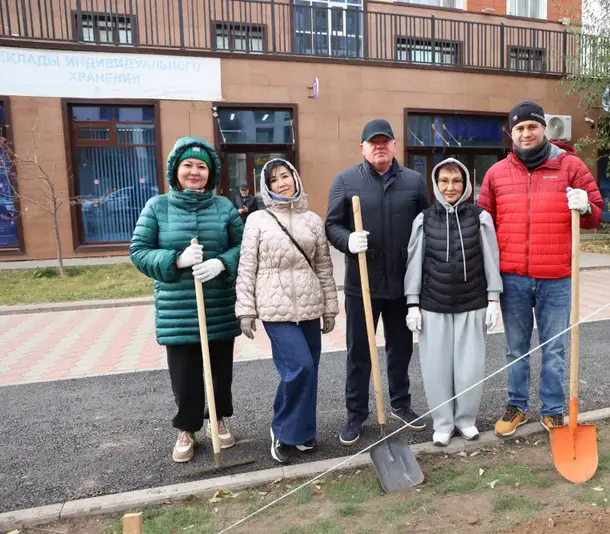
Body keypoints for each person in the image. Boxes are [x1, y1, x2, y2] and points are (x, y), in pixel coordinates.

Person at [477, 101, 603, 436]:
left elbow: (596, 216)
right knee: (515, 347)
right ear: (511, 134)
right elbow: (482, 223)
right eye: (519, 128)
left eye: (532, 126)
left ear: (544, 128)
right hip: (513, 277)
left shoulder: (571, 167)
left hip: (557, 277)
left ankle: (553, 409)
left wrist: (586, 206)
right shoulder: (496, 174)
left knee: (555, 348)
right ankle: (517, 406)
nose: (526, 133)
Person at [130, 137, 244, 463]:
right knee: (184, 374)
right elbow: (139, 252)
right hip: (177, 309)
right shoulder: (157, 207)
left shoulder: (223, 207)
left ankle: (218, 419)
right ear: (175, 170)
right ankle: (187, 428)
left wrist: (222, 262)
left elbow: (244, 245)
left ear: (211, 173)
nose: (195, 172)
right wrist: (175, 260)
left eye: (202, 166)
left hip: (218, 305)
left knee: (220, 371)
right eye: (188, 165)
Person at [325, 119, 431, 446]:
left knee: (400, 350)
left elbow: (426, 225)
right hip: (363, 286)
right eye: (374, 142)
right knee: (359, 352)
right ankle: (356, 413)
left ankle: (401, 404)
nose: (380, 146)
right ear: (363, 148)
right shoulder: (345, 181)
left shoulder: (413, 182)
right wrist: (347, 240)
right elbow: (332, 225)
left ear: (395, 146)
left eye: (386, 141)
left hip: (401, 285)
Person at [236, 159, 339, 464]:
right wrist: (246, 309)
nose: (281, 183)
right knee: (299, 368)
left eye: (286, 176)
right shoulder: (257, 220)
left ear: (295, 179)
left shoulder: (312, 220)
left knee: (311, 372)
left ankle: (304, 433)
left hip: (309, 304)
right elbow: (247, 266)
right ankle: (282, 430)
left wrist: (330, 307)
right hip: (274, 307)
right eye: (274, 179)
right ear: (266, 186)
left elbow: (323, 265)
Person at [404, 158, 502, 446]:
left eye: (456, 181)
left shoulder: (480, 217)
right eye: (444, 181)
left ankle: (465, 420)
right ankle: (443, 423)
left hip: (472, 303)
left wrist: (493, 298)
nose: (450, 187)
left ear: (466, 184)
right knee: (435, 368)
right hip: (433, 305)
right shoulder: (423, 219)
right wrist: (412, 304)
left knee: (469, 367)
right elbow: (414, 263)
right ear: (435, 183)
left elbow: (490, 259)